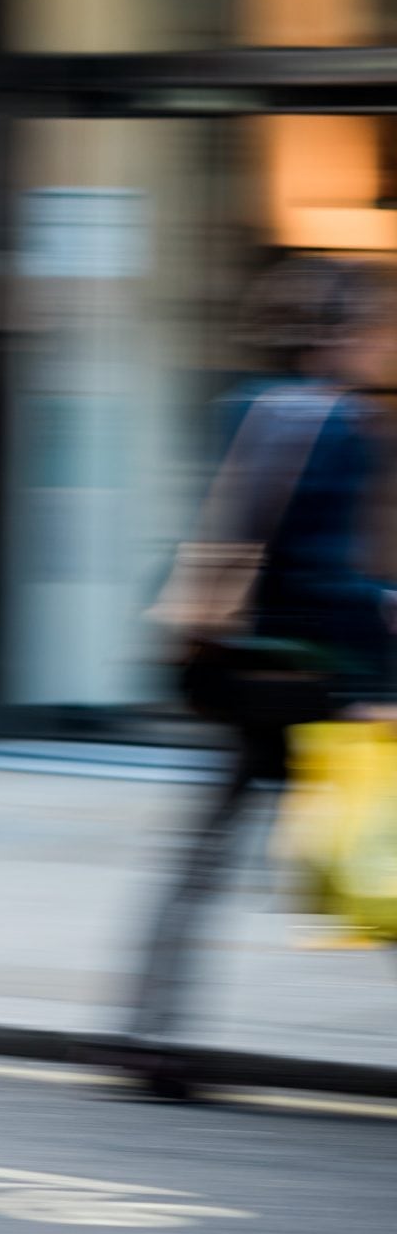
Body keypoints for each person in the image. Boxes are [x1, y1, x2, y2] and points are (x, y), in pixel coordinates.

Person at [126, 254, 394, 1100]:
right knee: (379, 852)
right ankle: (148, 1034)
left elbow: (238, 544)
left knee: (204, 861)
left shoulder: (244, 406)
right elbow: (318, 575)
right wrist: (379, 657)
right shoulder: (344, 425)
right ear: (338, 335)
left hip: (242, 671)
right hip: (311, 681)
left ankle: (147, 1034)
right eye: (378, 327)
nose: (386, 343)